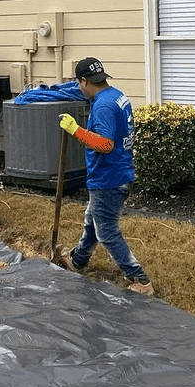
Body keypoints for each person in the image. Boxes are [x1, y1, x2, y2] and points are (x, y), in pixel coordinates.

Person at [56, 57, 153, 296]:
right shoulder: (116, 95)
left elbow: (106, 144)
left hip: (109, 177)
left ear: (84, 81)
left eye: (79, 84)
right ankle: (78, 261)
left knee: (106, 230)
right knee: (93, 220)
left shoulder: (102, 107)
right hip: (118, 171)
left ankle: (140, 279)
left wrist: (75, 130)